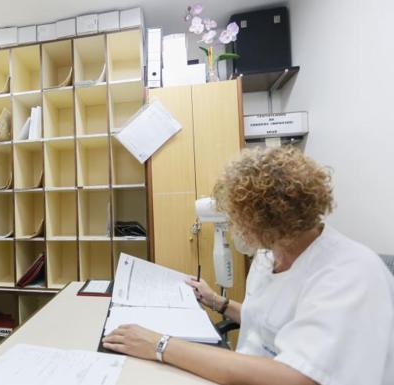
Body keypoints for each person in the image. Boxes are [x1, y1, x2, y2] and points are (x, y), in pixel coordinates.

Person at [103, 146, 394, 385]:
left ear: (266, 222)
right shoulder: (271, 256)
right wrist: (217, 302)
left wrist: (160, 344)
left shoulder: (351, 273)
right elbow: (270, 323)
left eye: (235, 220)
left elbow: (297, 377)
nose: (233, 228)